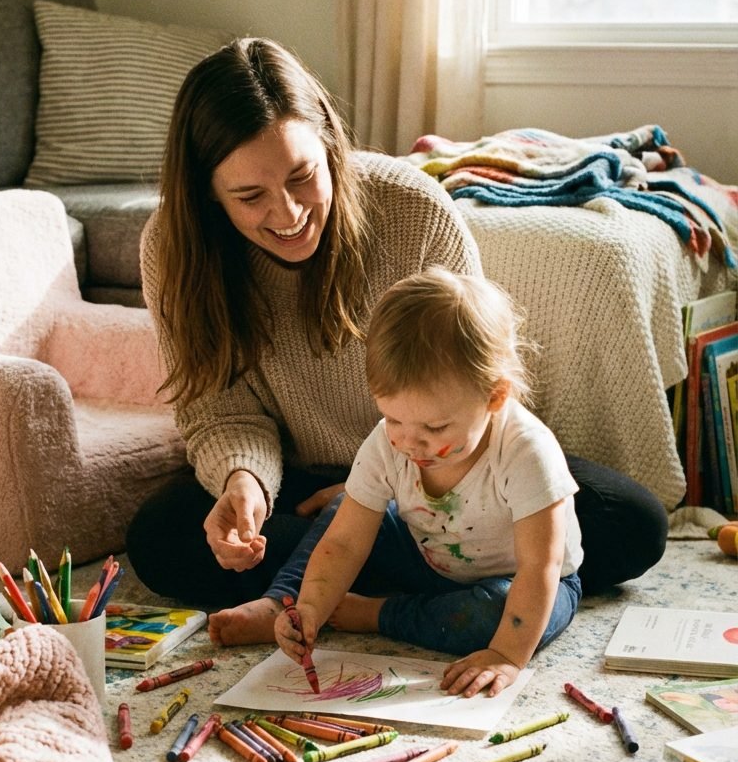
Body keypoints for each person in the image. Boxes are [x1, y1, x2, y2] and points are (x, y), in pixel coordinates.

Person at [126, 37, 668, 640]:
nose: (288, 213)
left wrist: (392, 483)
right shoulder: (172, 250)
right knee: (161, 537)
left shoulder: (411, 208)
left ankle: (365, 588)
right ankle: (424, 585)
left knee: (632, 523)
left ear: (330, 149)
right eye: (250, 196)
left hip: (443, 463)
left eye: (303, 177)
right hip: (297, 482)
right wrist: (244, 485)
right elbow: (217, 412)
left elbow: (474, 379)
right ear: (208, 192)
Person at [275, 267, 584, 697]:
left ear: (494, 396)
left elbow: (539, 568)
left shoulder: (527, 451)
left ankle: (375, 614)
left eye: (435, 428)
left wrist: (506, 655)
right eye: (393, 418)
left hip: (525, 583)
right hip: (429, 558)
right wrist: (311, 605)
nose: (409, 443)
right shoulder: (388, 442)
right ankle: (289, 604)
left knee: (485, 618)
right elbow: (344, 544)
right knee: (344, 511)